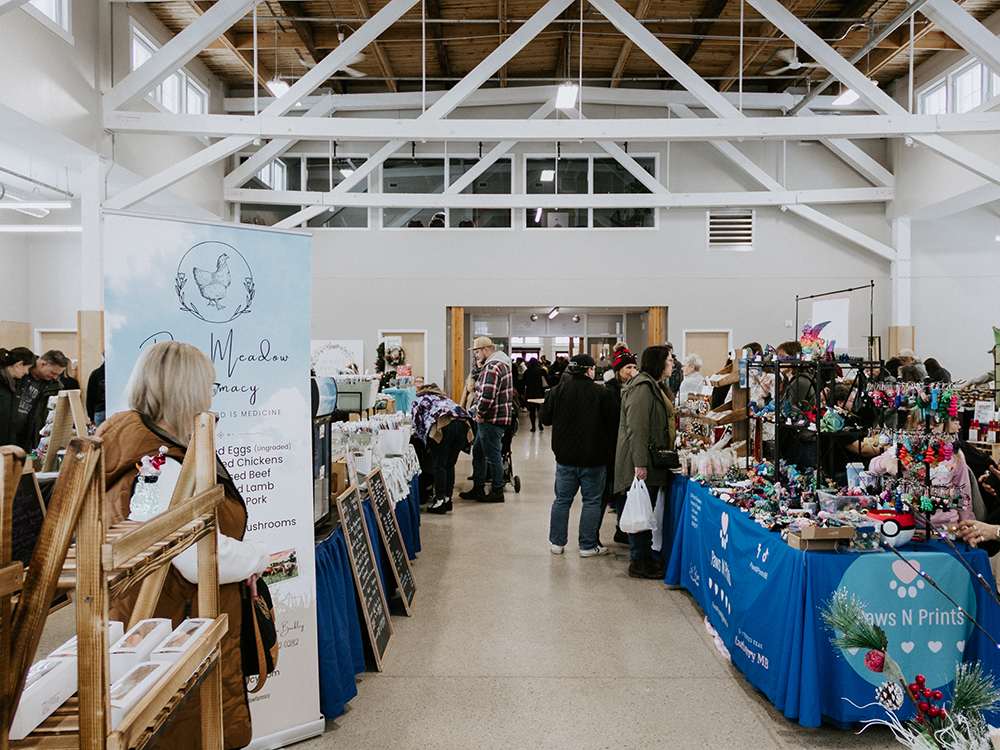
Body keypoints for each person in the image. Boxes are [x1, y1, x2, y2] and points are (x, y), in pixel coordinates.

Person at [96, 341, 268, 750]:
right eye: (207, 386)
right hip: (174, 621)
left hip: (151, 615)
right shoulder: (161, 466)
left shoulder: (135, 449)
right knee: (179, 723)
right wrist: (258, 557)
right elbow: (196, 556)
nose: (211, 396)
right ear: (187, 393)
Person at [540, 354, 618, 557]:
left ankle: (557, 543)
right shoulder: (602, 393)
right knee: (591, 501)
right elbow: (613, 422)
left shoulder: (557, 391)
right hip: (594, 458)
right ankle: (587, 545)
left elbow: (545, 419)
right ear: (590, 370)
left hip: (565, 458)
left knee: (562, 500)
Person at [615, 345, 676, 579]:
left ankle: (645, 556)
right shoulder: (643, 388)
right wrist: (639, 464)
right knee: (641, 508)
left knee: (646, 507)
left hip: (648, 459)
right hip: (642, 461)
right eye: (669, 360)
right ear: (659, 363)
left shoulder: (653, 387)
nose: (672, 363)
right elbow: (637, 428)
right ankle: (639, 560)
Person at [459, 337, 513, 503]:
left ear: (486, 350)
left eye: (477, 351)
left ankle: (497, 490)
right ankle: (478, 486)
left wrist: (479, 414)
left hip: (490, 420)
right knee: (479, 452)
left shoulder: (492, 367)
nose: (475, 355)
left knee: (493, 455)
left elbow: (487, 395)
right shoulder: (502, 364)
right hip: (497, 418)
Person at [411, 384, 474, 514]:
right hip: (463, 425)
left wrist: (425, 442)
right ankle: (447, 499)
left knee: (439, 465)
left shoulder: (420, 400)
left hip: (442, 426)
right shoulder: (444, 398)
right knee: (449, 465)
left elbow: (417, 423)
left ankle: (439, 501)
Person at [605, 343, 638, 545]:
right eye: (628, 368)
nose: (632, 371)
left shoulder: (635, 388)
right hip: (614, 446)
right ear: (618, 371)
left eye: (634, 367)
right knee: (618, 490)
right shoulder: (609, 392)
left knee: (626, 489)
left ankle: (623, 528)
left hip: (628, 445)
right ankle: (620, 527)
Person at [15, 349, 68, 452]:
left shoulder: (55, 386)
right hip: (8, 432)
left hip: (30, 437)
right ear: (43, 364)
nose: (55, 377)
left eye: (58, 374)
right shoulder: (19, 373)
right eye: (53, 373)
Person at [0, 347, 34, 447]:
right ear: (19, 364)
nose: (27, 373)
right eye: (27, 368)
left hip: (7, 444)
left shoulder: (14, 384)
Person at [522, 357, 548, 432]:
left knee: (532, 411)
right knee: (540, 409)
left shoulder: (527, 372)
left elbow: (524, 383)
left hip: (530, 393)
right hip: (540, 392)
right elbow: (547, 380)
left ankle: (533, 426)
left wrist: (522, 393)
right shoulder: (541, 371)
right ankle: (540, 424)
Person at [87, 358, 106, 427]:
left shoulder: (95, 374)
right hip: (116, 410)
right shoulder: (118, 372)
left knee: (99, 436)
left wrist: (91, 417)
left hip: (100, 410)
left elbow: (90, 397)